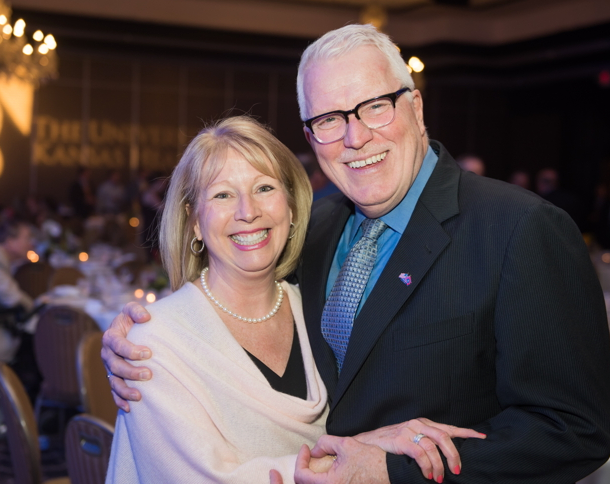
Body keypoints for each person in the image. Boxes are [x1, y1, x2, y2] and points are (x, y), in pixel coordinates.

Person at [103, 25, 610, 483]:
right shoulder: (313, 229)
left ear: (415, 106)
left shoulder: (520, 229)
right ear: (309, 136)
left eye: (375, 106)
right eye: (328, 118)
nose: (355, 136)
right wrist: (143, 338)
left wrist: (394, 470)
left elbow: (575, 428)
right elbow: (231, 321)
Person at [105, 116, 483, 484]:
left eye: (264, 188)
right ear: (195, 222)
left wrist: (379, 443)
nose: (247, 211)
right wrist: (362, 451)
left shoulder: (321, 309)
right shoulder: (151, 345)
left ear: (290, 204)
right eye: (223, 195)